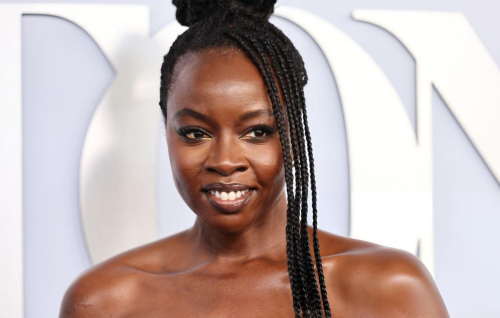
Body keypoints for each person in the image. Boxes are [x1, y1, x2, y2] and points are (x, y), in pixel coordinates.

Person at [60, 0, 449, 317]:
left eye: (257, 132)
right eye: (195, 133)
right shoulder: (107, 301)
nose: (225, 161)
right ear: (167, 133)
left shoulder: (389, 289)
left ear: (294, 137)